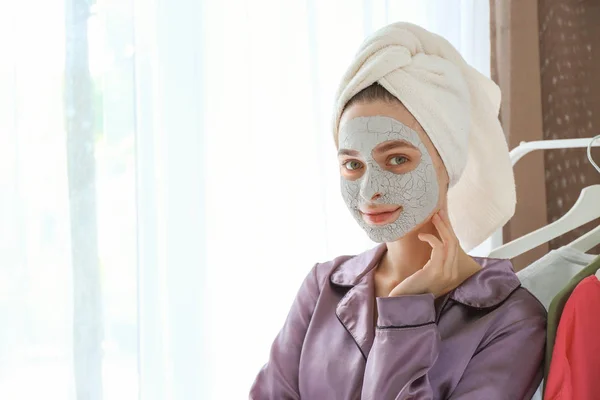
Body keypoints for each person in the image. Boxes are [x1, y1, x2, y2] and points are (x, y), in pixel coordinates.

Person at [250, 22, 546, 399]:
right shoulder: (323, 288)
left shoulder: (511, 319)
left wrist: (405, 312)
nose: (369, 191)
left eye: (397, 159)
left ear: (447, 163)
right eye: (352, 165)